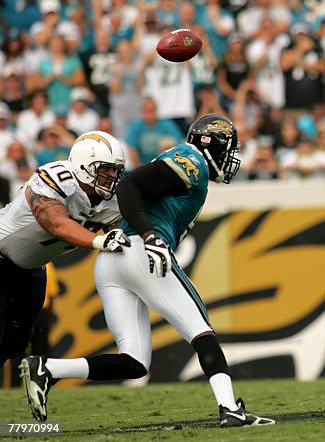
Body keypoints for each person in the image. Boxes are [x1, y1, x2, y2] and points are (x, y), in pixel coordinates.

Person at [20, 114, 275, 428]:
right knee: (201, 331)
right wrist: (151, 235)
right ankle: (230, 408)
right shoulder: (191, 160)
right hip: (142, 251)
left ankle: (48, 370)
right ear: (213, 146)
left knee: (135, 361)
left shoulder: (188, 165)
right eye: (228, 149)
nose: (230, 158)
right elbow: (130, 185)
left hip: (113, 262)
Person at [0, 131, 129, 369]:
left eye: (115, 170)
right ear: (83, 164)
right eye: (106, 169)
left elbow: (125, 233)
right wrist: (99, 241)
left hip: (30, 268)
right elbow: (56, 223)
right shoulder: (56, 178)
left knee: (15, 342)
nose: (112, 176)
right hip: (1, 254)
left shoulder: (110, 201)